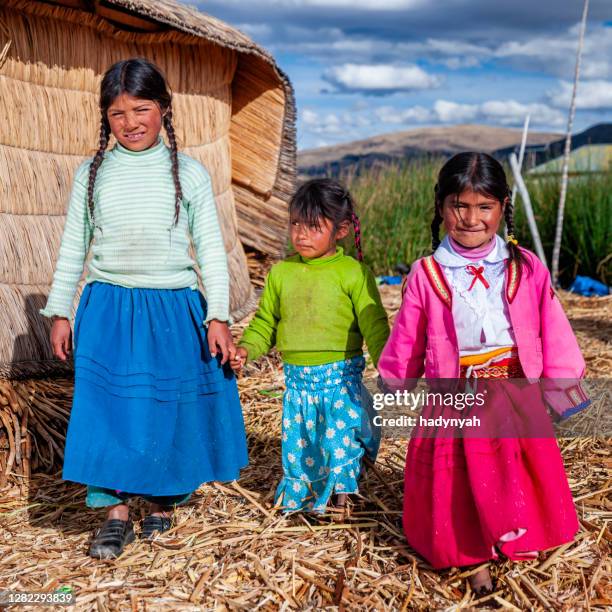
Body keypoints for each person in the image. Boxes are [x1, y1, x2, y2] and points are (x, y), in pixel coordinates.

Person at [41, 58, 248, 559]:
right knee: (109, 410)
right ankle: (116, 515)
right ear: (104, 118)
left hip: (173, 308)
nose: (131, 123)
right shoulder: (92, 174)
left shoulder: (190, 174)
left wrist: (216, 315)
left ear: (164, 110)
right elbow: (74, 246)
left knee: (165, 407)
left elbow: (211, 251)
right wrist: (60, 311)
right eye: (117, 113)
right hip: (109, 306)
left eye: (142, 109)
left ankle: (159, 500)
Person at [377, 153, 590, 595]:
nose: (471, 218)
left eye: (484, 207)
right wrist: (394, 382)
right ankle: (473, 559)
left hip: (514, 391)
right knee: (462, 478)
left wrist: (563, 390)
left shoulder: (525, 266)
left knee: (516, 471)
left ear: (503, 207)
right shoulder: (426, 274)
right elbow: (408, 336)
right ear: (441, 207)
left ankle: (516, 536)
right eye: (460, 205)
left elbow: (552, 328)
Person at [231, 178, 389, 514]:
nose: (301, 234)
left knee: (340, 443)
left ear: (342, 230)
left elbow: (374, 325)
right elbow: (265, 323)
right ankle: (310, 497)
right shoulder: (282, 273)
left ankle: (343, 502)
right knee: (306, 448)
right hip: (299, 385)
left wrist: (389, 366)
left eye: (314, 226)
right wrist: (246, 349)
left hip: (340, 382)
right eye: (295, 224)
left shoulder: (353, 273)